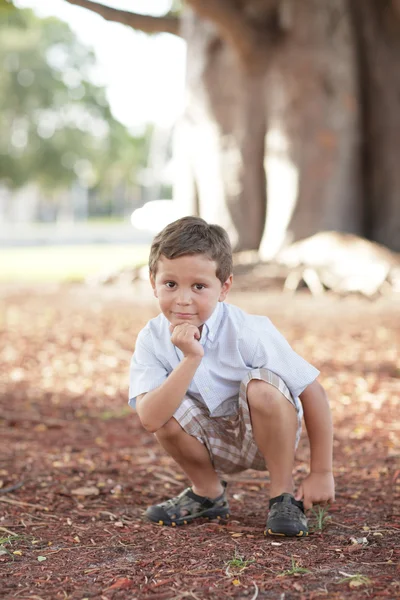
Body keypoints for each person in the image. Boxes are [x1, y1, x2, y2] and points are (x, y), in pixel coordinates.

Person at [129, 216, 335, 537]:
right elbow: (150, 418)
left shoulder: (248, 331)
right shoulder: (151, 338)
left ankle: (282, 496)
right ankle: (207, 493)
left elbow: (312, 392)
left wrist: (321, 471)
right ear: (153, 281)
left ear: (224, 287)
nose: (183, 299)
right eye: (171, 284)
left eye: (199, 286)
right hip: (206, 440)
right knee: (161, 404)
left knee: (263, 388)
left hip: (264, 433)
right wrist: (191, 359)